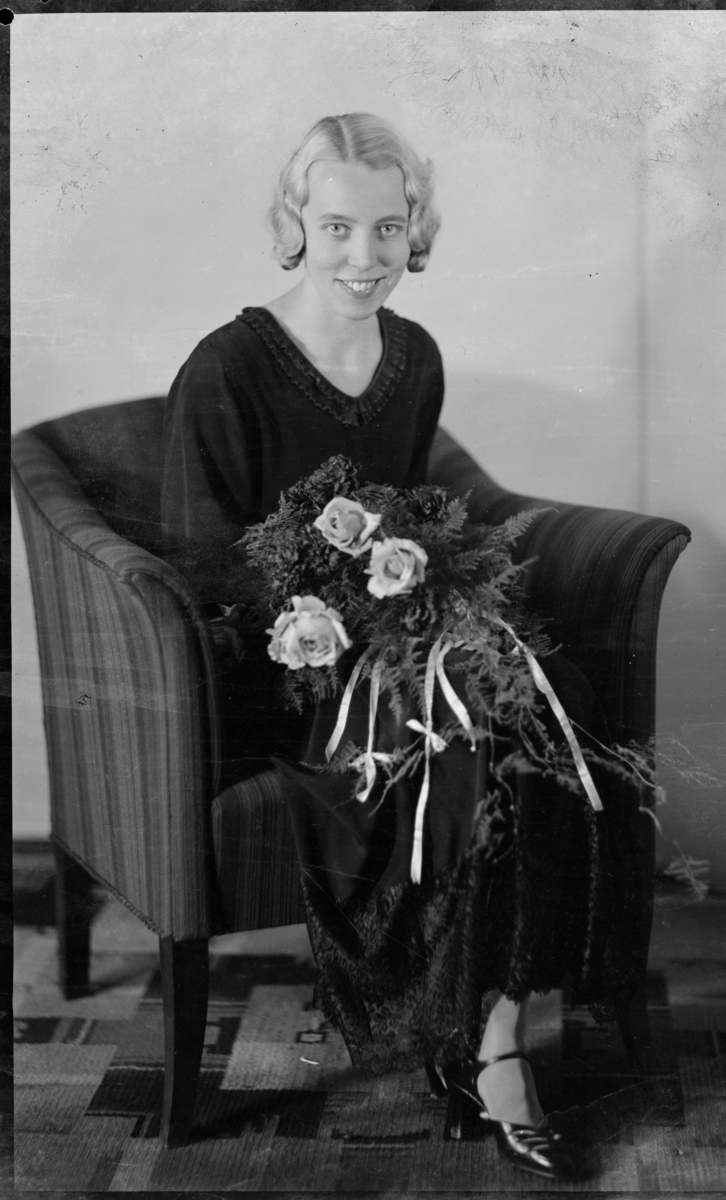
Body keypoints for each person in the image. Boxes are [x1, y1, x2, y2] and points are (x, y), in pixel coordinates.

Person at [160, 113, 640, 1180]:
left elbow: (413, 510)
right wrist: (338, 625)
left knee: (547, 694)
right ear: (296, 223)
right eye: (337, 227)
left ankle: (492, 1028)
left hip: (400, 638)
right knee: (465, 729)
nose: (364, 256)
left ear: (414, 227)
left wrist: (428, 601)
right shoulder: (227, 366)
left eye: (387, 228)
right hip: (282, 671)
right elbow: (202, 567)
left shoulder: (414, 355)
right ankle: (483, 1051)